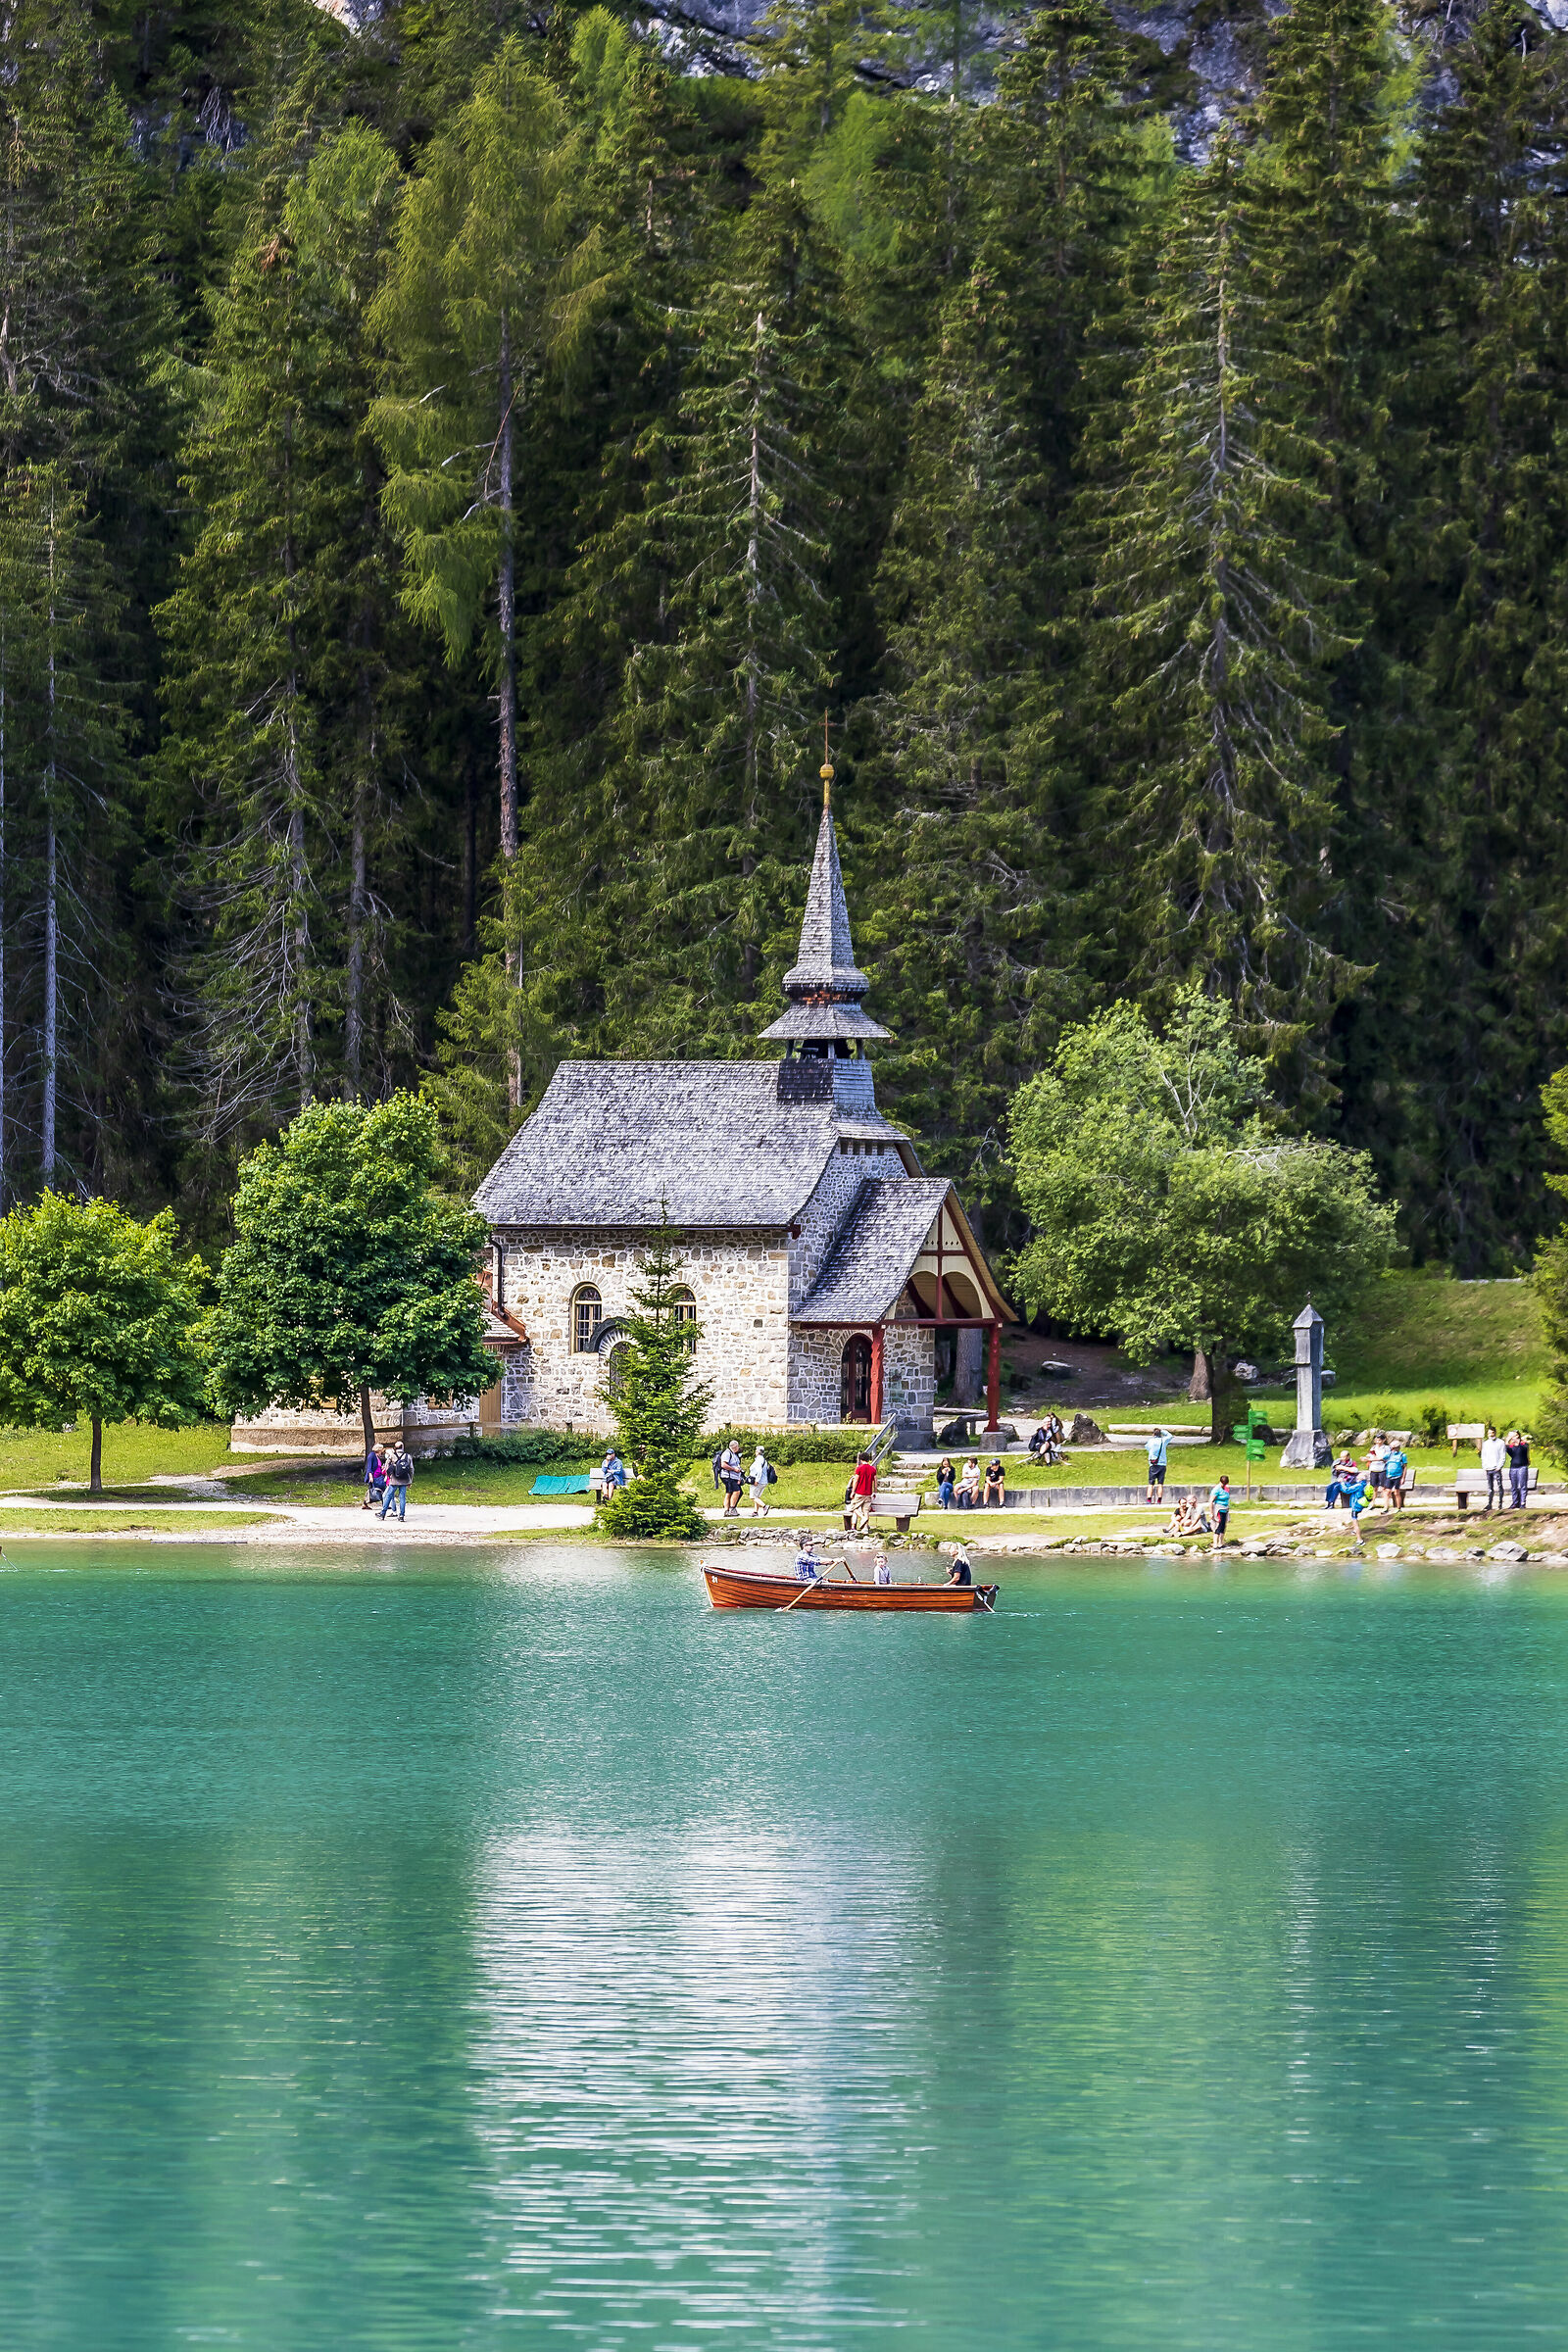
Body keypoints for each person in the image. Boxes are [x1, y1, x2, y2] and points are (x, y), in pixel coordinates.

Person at [378, 1443, 414, 1522]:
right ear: (403, 1447)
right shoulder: (407, 1456)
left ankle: (383, 1514)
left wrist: (388, 1476)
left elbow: (387, 1467)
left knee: (388, 1496)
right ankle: (401, 1515)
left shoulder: (392, 1456)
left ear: (395, 1448)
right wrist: (410, 1480)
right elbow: (411, 1469)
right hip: (404, 1480)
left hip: (394, 1480)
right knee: (402, 1498)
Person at [1480, 1427, 1506, 1511]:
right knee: (1490, 1487)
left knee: (1499, 1486)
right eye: (1489, 1433)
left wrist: (1499, 1466)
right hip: (1488, 1468)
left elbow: (1502, 1455)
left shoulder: (1501, 1443)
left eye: (1492, 1433)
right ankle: (1489, 1503)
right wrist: (1484, 1466)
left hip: (1496, 1468)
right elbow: (1483, 1456)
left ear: (1495, 1433)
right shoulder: (1486, 1443)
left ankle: (1500, 1503)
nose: (1491, 1435)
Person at [1506, 1429, 1531, 1510]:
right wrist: (1508, 1439)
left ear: (1517, 1435)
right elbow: (1507, 1448)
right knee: (1514, 1487)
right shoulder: (1511, 1446)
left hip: (1522, 1467)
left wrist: (1518, 1441)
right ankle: (1515, 1502)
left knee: (1522, 1486)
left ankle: (1522, 1503)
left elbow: (1523, 1449)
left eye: (1513, 1435)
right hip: (1513, 1467)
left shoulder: (1524, 1444)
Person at [1146, 1428, 1170, 1506]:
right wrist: (1163, 1431)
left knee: (1151, 1483)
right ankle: (1159, 1500)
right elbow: (1170, 1435)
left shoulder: (1151, 1441)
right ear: (1160, 1434)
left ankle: (1149, 1500)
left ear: (1153, 1434)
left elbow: (1147, 1447)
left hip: (1153, 1464)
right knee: (1160, 1483)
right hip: (1162, 1464)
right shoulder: (1164, 1440)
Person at [720, 1440, 744, 1518]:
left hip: (734, 1476)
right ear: (735, 1447)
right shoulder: (727, 1453)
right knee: (737, 1491)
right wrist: (734, 1469)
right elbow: (723, 1464)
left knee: (730, 1492)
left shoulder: (734, 1454)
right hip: (728, 1476)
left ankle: (727, 1510)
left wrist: (739, 1476)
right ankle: (732, 1508)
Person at [1384, 1439, 1408, 1513]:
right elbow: (1381, 1459)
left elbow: (1405, 1467)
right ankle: (1386, 1507)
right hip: (1389, 1476)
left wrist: (1403, 1478)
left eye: (1395, 1448)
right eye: (1393, 1448)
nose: (1394, 1449)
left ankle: (1398, 1508)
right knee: (1387, 1492)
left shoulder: (1402, 1456)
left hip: (1397, 1476)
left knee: (1396, 1492)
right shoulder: (1389, 1455)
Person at [1209, 1473, 1231, 1551]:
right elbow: (1211, 1501)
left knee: (1223, 1526)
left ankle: (1221, 1543)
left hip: (1225, 1509)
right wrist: (1211, 1513)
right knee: (1218, 1526)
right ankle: (1215, 1544)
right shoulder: (1216, 1489)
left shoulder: (1226, 1488)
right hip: (1218, 1509)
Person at [748, 1446, 771, 1518]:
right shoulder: (764, 1460)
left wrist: (756, 1480)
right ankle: (755, 1512)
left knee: (752, 1496)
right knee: (757, 1497)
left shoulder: (758, 1460)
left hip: (759, 1481)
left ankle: (765, 1506)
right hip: (764, 1481)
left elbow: (759, 1470)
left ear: (758, 1452)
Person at [363, 1445, 386, 1513]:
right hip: (374, 1476)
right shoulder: (371, 1455)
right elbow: (369, 1467)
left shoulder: (377, 1456)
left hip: (379, 1475)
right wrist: (370, 1476)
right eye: (382, 1449)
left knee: (382, 1488)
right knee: (373, 1490)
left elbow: (377, 1466)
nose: (382, 1451)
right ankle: (365, 1503)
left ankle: (384, 1504)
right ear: (379, 1449)